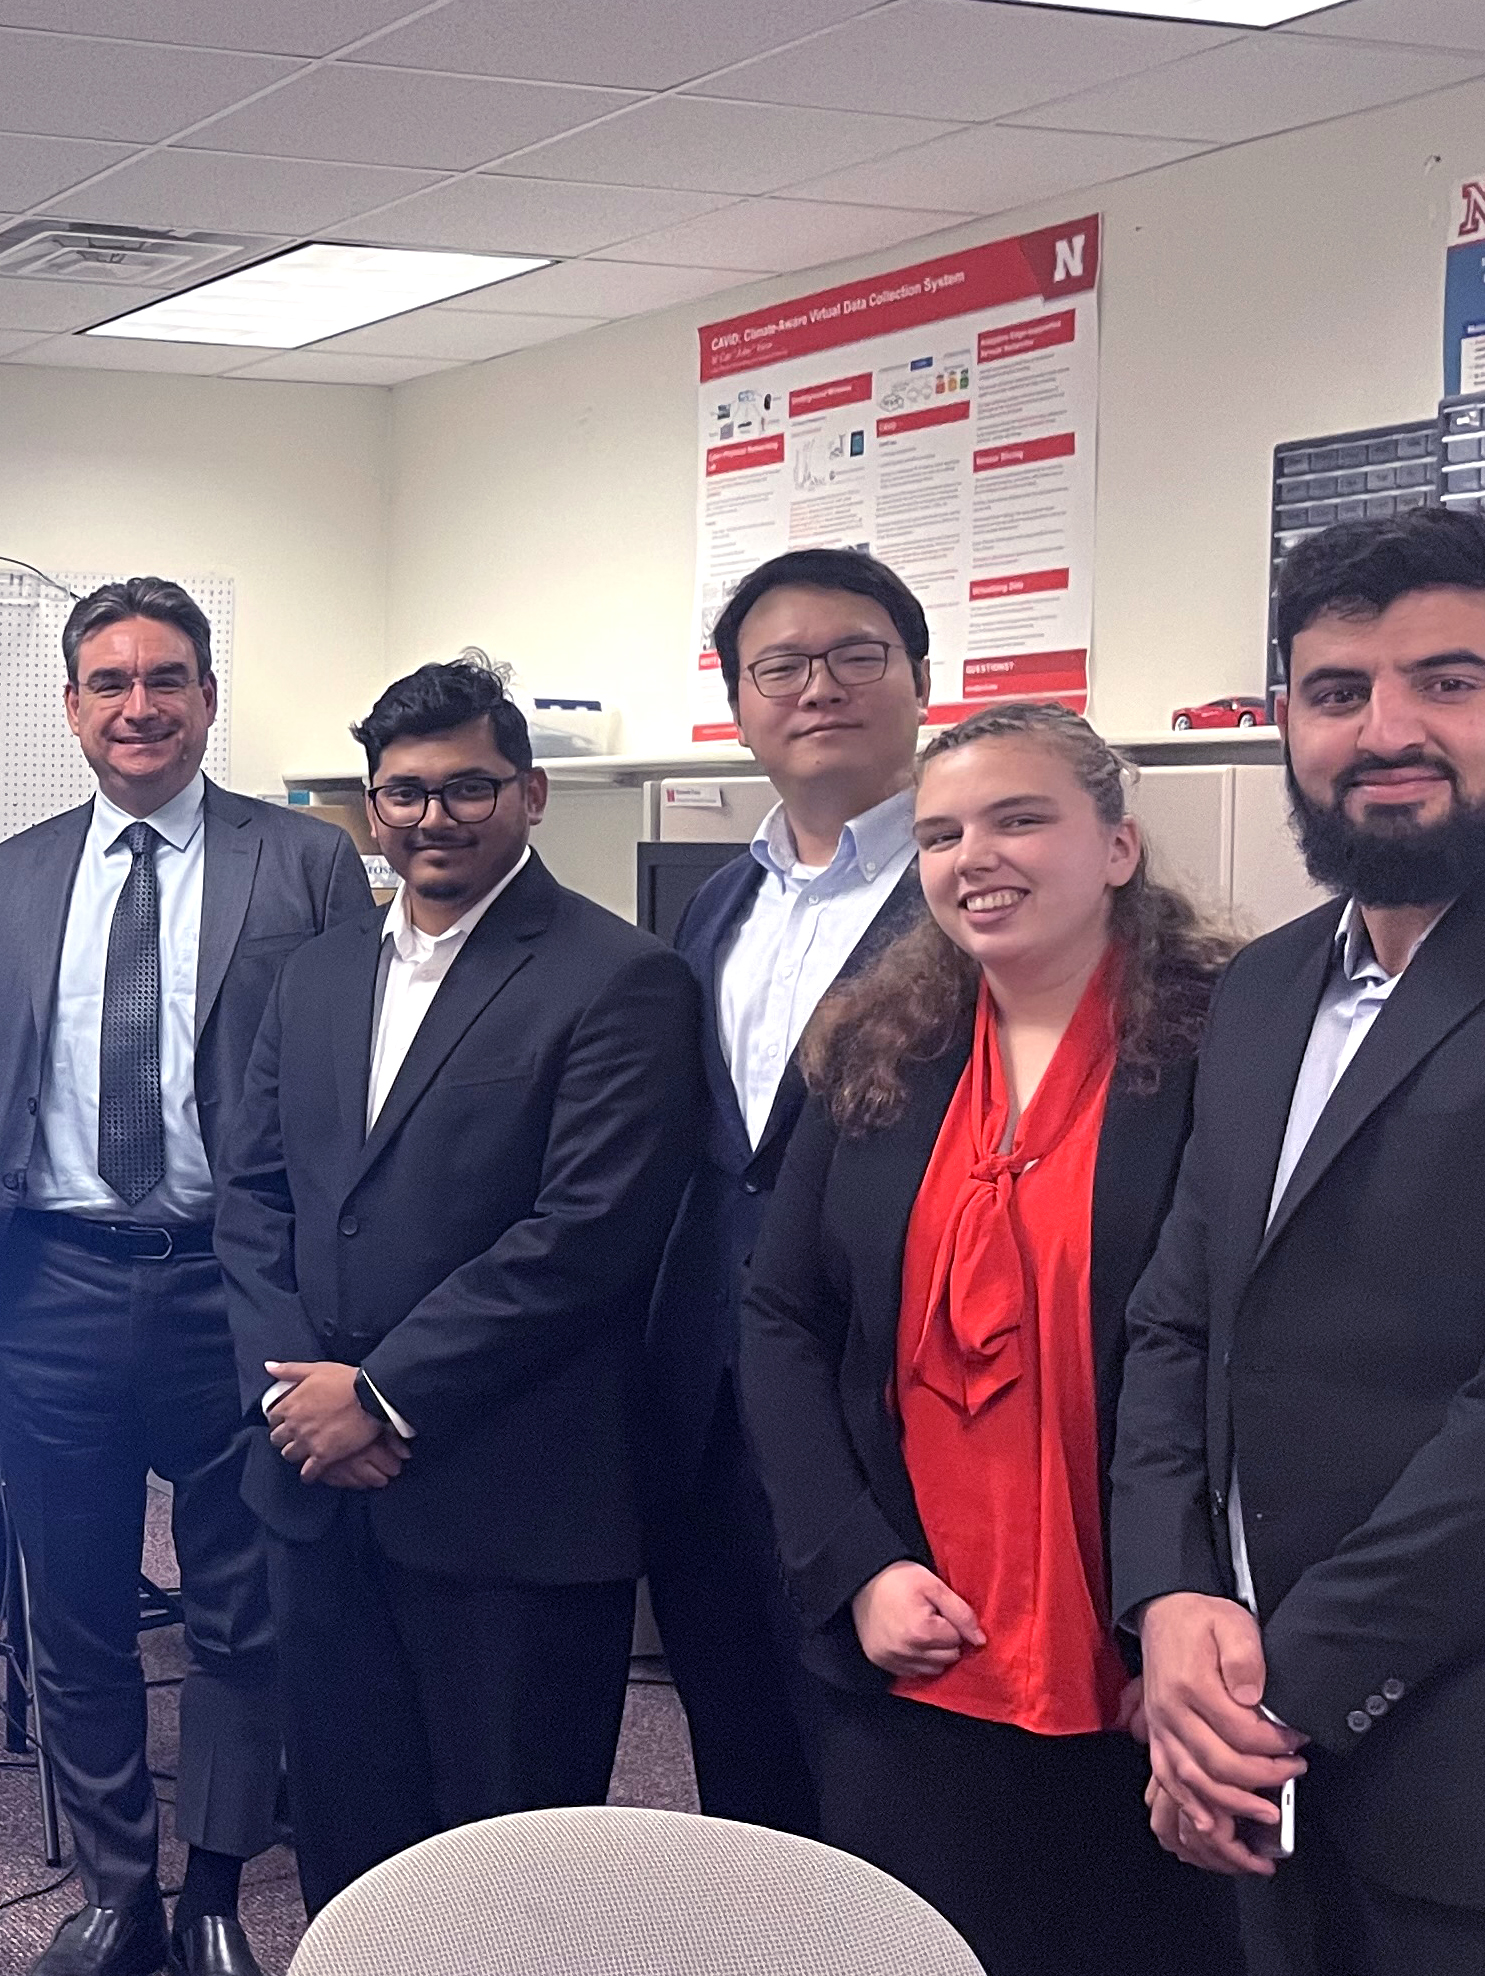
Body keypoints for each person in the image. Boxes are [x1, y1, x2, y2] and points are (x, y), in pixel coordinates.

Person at [1112, 505, 1485, 1972]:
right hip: (1262, 1761)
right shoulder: (1257, 993)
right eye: (1334, 691)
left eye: (1447, 681)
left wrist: (1273, 1692)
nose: (1385, 729)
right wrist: (1169, 1597)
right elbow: (1178, 1324)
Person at [737, 705, 1239, 1975]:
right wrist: (857, 1566)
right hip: (912, 1635)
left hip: (1144, 1653)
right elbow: (782, 1316)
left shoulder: (1231, 1049)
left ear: (1117, 846)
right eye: (943, 831)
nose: (975, 856)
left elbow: (1262, 1354)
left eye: (1021, 817)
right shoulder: (872, 1049)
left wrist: (1178, 1607)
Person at [0, 576, 371, 1976]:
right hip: (47, 1285)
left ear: (204, 698)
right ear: (71, 708)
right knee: (70, 1603)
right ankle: (117, 1887)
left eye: (166, 678)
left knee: (243, 1606)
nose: (139, 705)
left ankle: (214, 1896)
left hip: (232, 1290)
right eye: (110, 682)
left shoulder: (298, 863)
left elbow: (341, 1077)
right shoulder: (8, 873)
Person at [218, 656, 703, 1909]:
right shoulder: (313, 973)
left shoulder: (618, 975)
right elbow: (253, 1193)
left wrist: (378, 1395)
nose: (434, 817)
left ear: (530, 793)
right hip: (317, 1492)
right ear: (370, 806)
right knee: (348, 1843)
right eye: (404, 792)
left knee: (505, 1875)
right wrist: (297, 1404)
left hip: (511, 1502)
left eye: (468, 788)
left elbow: (587, 1234)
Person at [643, 546, 937, 1835]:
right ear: (739, 700)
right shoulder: (717, 902)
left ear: (918, 678)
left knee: (885, 1766)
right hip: (710, 1410)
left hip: (890, 1408)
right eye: (780, 665)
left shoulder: (971, 889)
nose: (818, 686)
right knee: (739, 1745)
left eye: (855, 654)